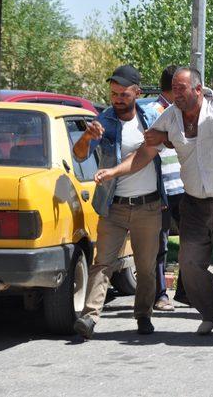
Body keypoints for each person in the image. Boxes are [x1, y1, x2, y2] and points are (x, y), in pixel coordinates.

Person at [95, 67, 213, 341]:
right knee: (188, 263)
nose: (177, 94)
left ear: (198, 89)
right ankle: (210, 312)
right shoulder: (170, 117)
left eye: (182, 89)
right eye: (174, 89)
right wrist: (115, 172)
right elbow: (145, 153)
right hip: (194, 201)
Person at [72, 64, 166, 338]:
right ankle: (89, 318)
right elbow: (79, 155)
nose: (117, 99)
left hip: (148, 206)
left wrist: (112, 171)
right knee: (103, 262)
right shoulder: (104, 120)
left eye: (123, 94)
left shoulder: (151, 119)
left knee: (146, 267)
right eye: (113, 93)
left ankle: (143, 315)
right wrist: (87, 137)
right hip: (113, 206)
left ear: (137, 92)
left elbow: (147, 153)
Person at [148, 65, 183, 312]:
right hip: (161, 189)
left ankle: (187, 292)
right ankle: (160, 294)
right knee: (159, 243)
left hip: (182, 187)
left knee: (193, 239)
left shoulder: (181, 112)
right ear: (173, 89)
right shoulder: (153, 113)